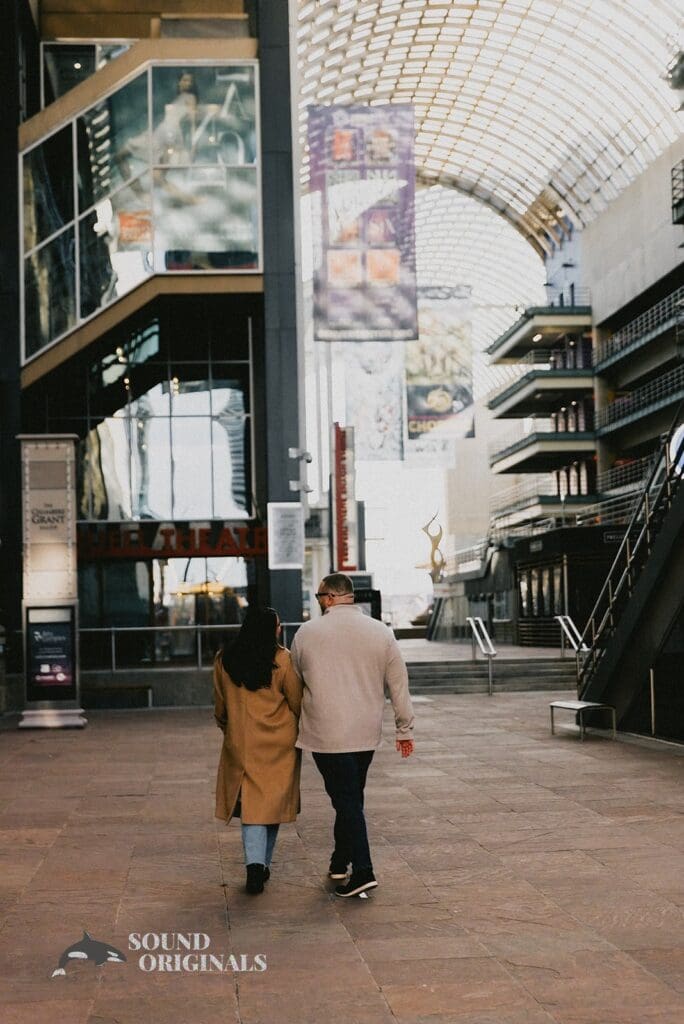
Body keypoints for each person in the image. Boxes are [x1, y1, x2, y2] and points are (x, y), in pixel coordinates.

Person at [290, 573, 414, 898]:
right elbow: (398, 683)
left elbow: (294, 682)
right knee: (351, 798)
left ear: (330, 597)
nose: (319, 603)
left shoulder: (306, 633)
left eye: (319, 597)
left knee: (346, 800)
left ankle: (363, 871)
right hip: (365, 732)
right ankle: (339, 860)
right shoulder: (381, 632)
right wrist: (404, 728)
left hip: (326, 733)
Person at [214, 608, 303, 894]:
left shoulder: (224, 659)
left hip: (241, 741)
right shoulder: (283, 659)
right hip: (279, 744)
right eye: (277, 626)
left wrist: (228, 728)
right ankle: (259, 865)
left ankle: (257, 866)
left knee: (253, 806)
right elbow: (296, 701)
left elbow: (220, 705)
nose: (279, 630)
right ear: (271, 629)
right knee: (271, 804)